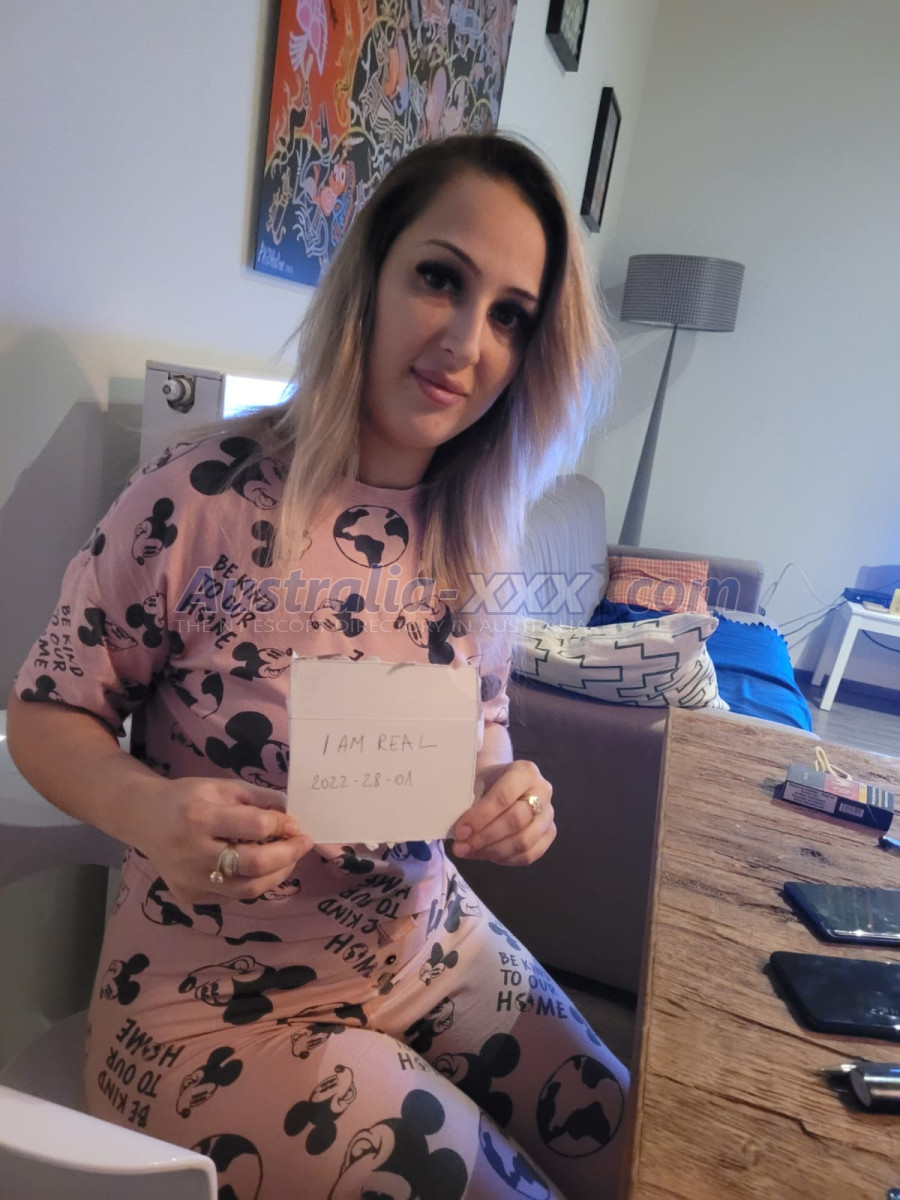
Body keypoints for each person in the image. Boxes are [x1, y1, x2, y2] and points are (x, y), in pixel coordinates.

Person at [8, 134, 627, 1199]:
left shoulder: (480, 527)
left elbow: (479, 724)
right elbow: (42, 715)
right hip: (216, 1013)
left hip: (432, 946)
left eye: (510, 317)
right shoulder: (200, 496)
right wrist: (146, 809)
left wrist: (505, 792)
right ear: (372, 276)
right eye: (440, 278)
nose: (465, 342)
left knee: (642, 1148)